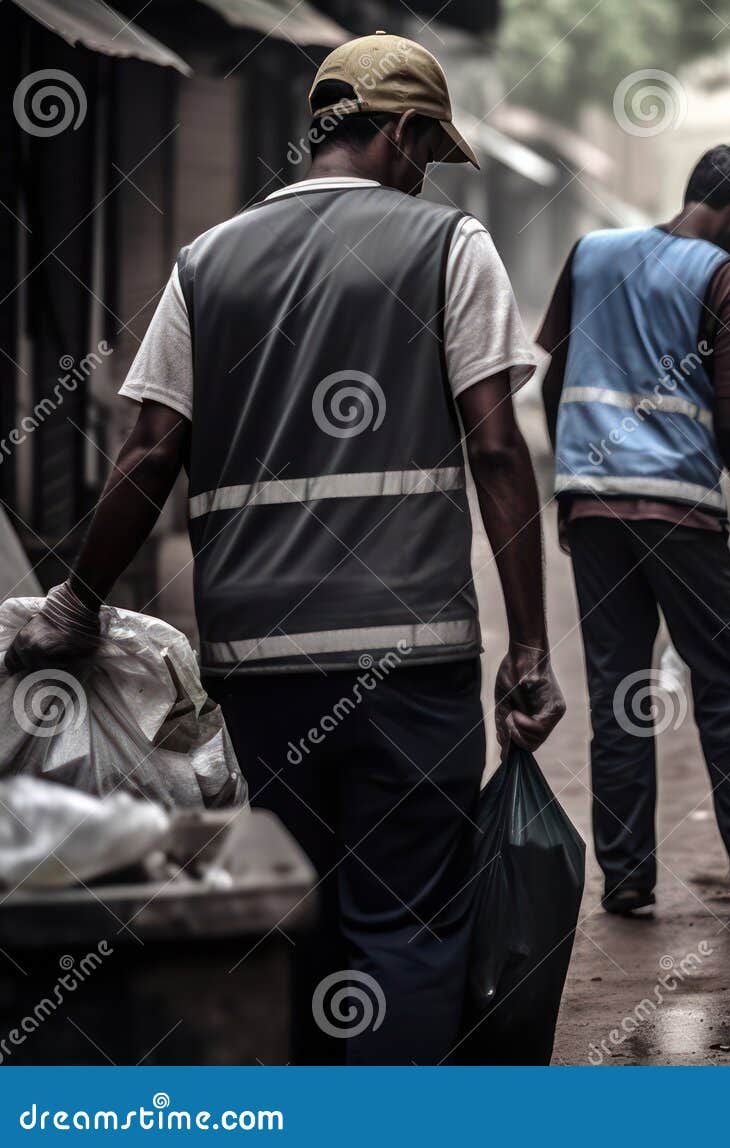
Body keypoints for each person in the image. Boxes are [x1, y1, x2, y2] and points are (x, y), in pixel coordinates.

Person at [4, 34, 564, 1064]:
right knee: (409, 926)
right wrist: (529, 647)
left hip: (258, 665)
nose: (424, 173)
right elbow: (495, 443)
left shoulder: (205, 263)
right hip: (411, 652)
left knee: (297, 916)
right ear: (400, 132)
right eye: (426, 149)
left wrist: (74, 604)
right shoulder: (449, 248)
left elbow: (147, 455)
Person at [537, 143, 730, 917]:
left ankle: (628, 876)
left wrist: (568, 482)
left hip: (595, 505)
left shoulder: (592, 254)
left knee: (620, 690)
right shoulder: (729, 281)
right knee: (724, 685)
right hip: (678, 509)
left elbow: (553, 378)